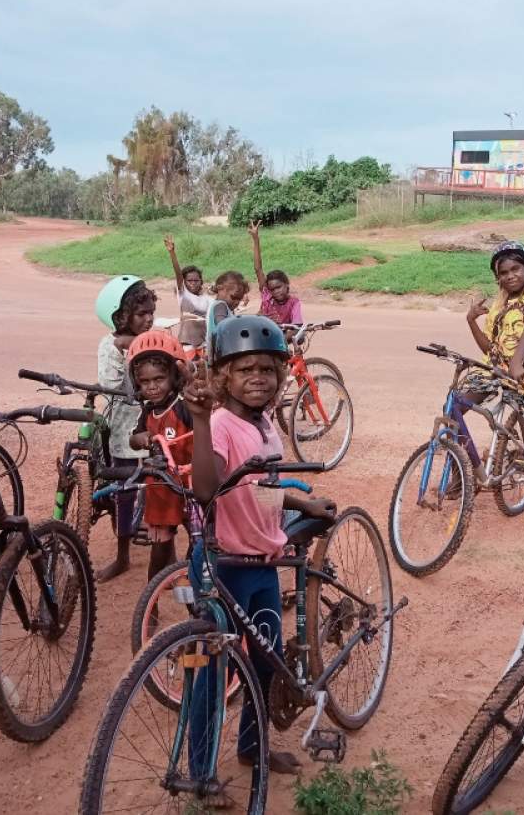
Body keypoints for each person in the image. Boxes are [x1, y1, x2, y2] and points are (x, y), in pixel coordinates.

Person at [184, 315, 337, 779]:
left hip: (260, 565)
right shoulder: (223, 425)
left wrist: (299, 501)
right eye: (245, 368)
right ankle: (200, 774)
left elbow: (255, 485)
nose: (257, 378)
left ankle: (252, 748)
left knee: (267, 662)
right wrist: (199, 419)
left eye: (267, 371)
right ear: (222, 374)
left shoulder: (265, 423)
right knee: (211, 676)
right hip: (224, 566)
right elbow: (209, 490)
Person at [464, 240, 524, 463]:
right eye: (503, 272)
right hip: (494, 372)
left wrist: (517, 362)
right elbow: (490, 349)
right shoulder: (500, 302)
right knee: (453, 409)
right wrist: (471, 321)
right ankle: (464, 471)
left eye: (515, 269)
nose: (510, 276)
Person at [94, 274, 157, 581]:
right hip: (122, 429)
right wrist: (131, 351)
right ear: (120, 317)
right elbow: (111, 385)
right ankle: (122, 555)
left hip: (152, 422)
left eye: (150, 314)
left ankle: (155, 539)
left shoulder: (148, 339)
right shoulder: (109, 346)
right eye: (140, 314)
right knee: (125, 490)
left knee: (156, 481)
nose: (148, 320)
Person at [127, 331, 193, 581]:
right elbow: (133, 440)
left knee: (200, 541)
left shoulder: (184, 407)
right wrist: (140, 438)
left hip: (191, 484)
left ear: (174, 377)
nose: (152, 386)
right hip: (161, 487)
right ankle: (151, 602)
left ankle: (194, 593)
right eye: (144, 382)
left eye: (159, 379)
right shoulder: (147, 411)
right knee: (160, 550)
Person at [249, 221, 303, 326]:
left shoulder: (293, 303)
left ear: (287, 285)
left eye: (278, 287)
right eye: (272, 289)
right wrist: (256, 239)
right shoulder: (267, 297)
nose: (276, 292)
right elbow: (258, 268)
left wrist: (283, 338)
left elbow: (298, 325)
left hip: (281, 337)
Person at [164, 234, 212, 351]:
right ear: (184, 282)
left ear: (201, 281)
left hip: (204, 344)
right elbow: (178, 274)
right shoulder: (184, 295)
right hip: (187, 344)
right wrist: (172, 253)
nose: (193, 283)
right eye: (189, 281)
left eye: (196, 280)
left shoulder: (207, 299)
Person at [204, 270, 250, 359]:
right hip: (220, 355)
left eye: (239, 299)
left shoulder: (225, 307)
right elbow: (223, 326)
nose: (237, 302)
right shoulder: (220, 305)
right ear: (220, 289)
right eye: (234, 297)